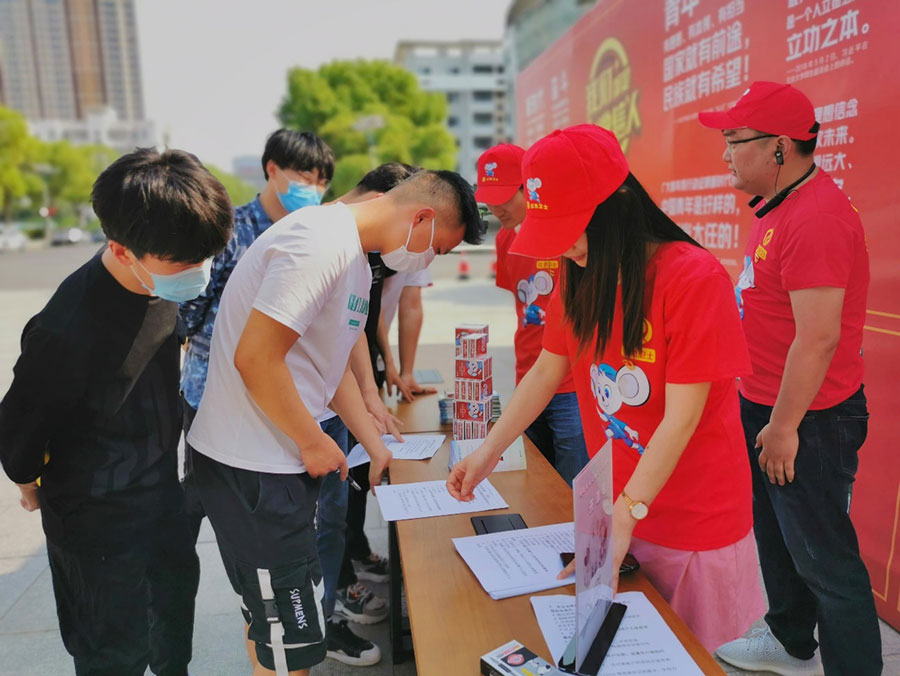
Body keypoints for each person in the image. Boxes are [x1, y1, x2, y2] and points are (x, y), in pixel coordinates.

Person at [447, 124, 764, 652]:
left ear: (615, 207)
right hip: (617, 506)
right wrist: (488, 451)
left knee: (680, 654)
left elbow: (682, 418)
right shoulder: (581, 272)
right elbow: (547, 371)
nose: (565, 248)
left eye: (571, 229)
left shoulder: (693, 279)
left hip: (688, 516)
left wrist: (626, 513)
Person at [187, 169, 483, 676]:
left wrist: (373, 442)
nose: (430, 261)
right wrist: (313, 441)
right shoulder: (318, 244)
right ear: (422, 218)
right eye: (438, 249)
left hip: (272, 463)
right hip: (258, 469)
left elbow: (331, 361)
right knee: (292, 641)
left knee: (273, 625)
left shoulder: (352, 257)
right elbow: (256, 358)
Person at [0, 148, 233, 676]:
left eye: (205, 257)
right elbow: (20, 423)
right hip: (95, 518)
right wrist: (27, 478)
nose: (198, 272)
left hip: (161, 495)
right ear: (122, 250)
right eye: (184, 264)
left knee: (171, 630)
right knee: (111, 651)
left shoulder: (161, 273)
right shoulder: (66, 330)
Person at [700, 82, 881, 676]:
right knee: (779, 539)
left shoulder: (817, 218)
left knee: (826, 562)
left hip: (809, 419)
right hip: (770, 404)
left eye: (734, 141)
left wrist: (783, 428)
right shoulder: (781, 205)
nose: (725, 154)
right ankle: (789, 639)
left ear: (778, 146)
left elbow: (818, 337)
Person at [180, 128, 335, 541]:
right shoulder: (232, 230)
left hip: (278, 395)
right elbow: (191, 308)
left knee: (272, 505)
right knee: (205, 498)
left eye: (322, 181)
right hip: (211, 390)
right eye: (305, 177)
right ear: (272, 169)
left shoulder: (316, 236)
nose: (313, 188)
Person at [475, 142, 589, 485]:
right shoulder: (505, 240)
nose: (496, 208)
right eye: (489, 198)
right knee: (536, 486)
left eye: (505, 197)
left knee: (573, 489)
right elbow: (523, 307)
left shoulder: (572, 238)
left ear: (531, 188)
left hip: (573, 384)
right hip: (528, 378)